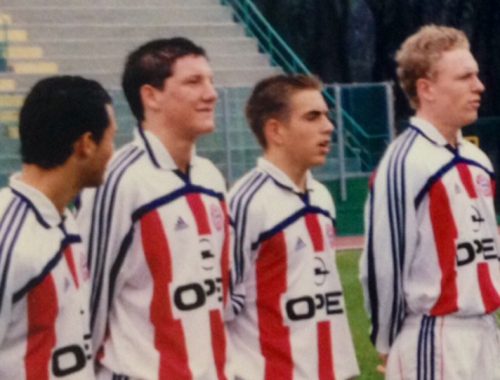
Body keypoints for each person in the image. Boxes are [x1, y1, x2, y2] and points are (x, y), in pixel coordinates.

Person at [76, 37, 231, 379]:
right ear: (151, 96)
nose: (211, 94)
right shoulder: (119, 180)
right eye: (194, 82)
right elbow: (87, 301)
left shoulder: (211, 178)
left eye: (211, 81)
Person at [360, 25, 500, 379]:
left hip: (484, 331)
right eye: (465, 77)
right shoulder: (405, 161)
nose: (479, 86)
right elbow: (383, 265)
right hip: (434, 335)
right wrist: (388, 343)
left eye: (477, 75)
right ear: (427, 89)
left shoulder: (476, 158)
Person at [227, 74, 359, 380]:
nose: (328, 127)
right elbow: (222, 308)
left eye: (326, 116)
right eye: (312, 117)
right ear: (276, 130)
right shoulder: (246, 202)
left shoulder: (322, 197)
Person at [0, 75, 116, 379]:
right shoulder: (10, 237)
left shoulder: (63, 219)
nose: (113, 153)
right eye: (112, 139)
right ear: (86, 144)